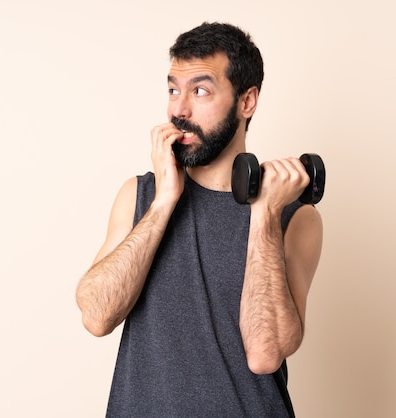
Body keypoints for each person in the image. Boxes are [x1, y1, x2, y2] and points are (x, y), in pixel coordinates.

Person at [76, 22, 323, 417]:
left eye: (201, 91)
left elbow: (265, 353)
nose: (179, 109)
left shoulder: (295, 217)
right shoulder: (139, 196)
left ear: (247, 102)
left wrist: (264, 214)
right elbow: (96, 316)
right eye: (173, 89)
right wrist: (164, 201)